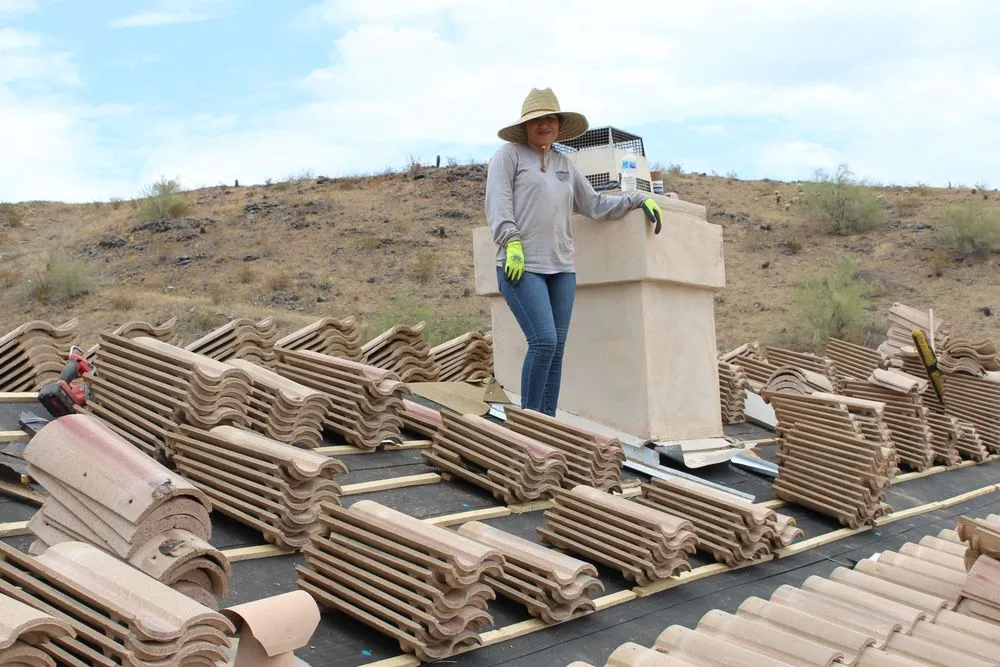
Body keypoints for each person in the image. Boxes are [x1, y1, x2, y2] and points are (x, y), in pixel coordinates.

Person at [485, 87, 663, 417]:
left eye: (550, 119)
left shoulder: (564, 164)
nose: (544, 125)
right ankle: (530, 422)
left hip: (562, 269)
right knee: (544, 341)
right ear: (525, 126)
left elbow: (594, 204)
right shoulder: (508, 156)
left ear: (558, 124)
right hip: (521, 266)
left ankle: (547, 422)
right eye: (537, 120)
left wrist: (638, 199)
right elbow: (498, 202)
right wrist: (510, 241)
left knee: (557, 348)